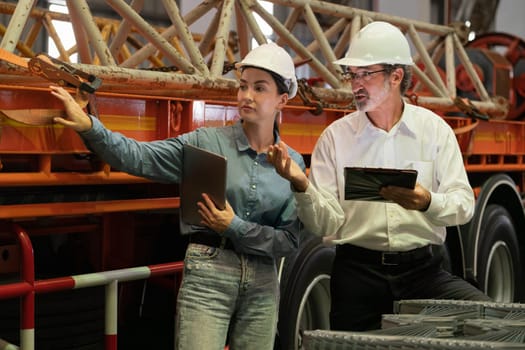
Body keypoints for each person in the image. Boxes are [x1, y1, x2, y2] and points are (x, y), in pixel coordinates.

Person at [50, 42, 306, 350]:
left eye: (260, 88)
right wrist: (90, 127)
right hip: (209, 273)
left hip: (264, 285)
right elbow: (138, 157)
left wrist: (234, 226)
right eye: (243, 86)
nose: (247, 96)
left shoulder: (293, 163)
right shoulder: (206, 143)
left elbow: (289, 242)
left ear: (282, 100)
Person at [267, 21, 491, 332]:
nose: (355, 84)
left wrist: (427, 201)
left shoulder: (434, 131)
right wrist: (301, 185)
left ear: (396, 76)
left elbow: (464, 205)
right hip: (357, 276)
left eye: (365, 74)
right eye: (352, 75)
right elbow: (324, 225)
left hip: (424, 273)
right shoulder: (335, 138)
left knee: (492, 322)